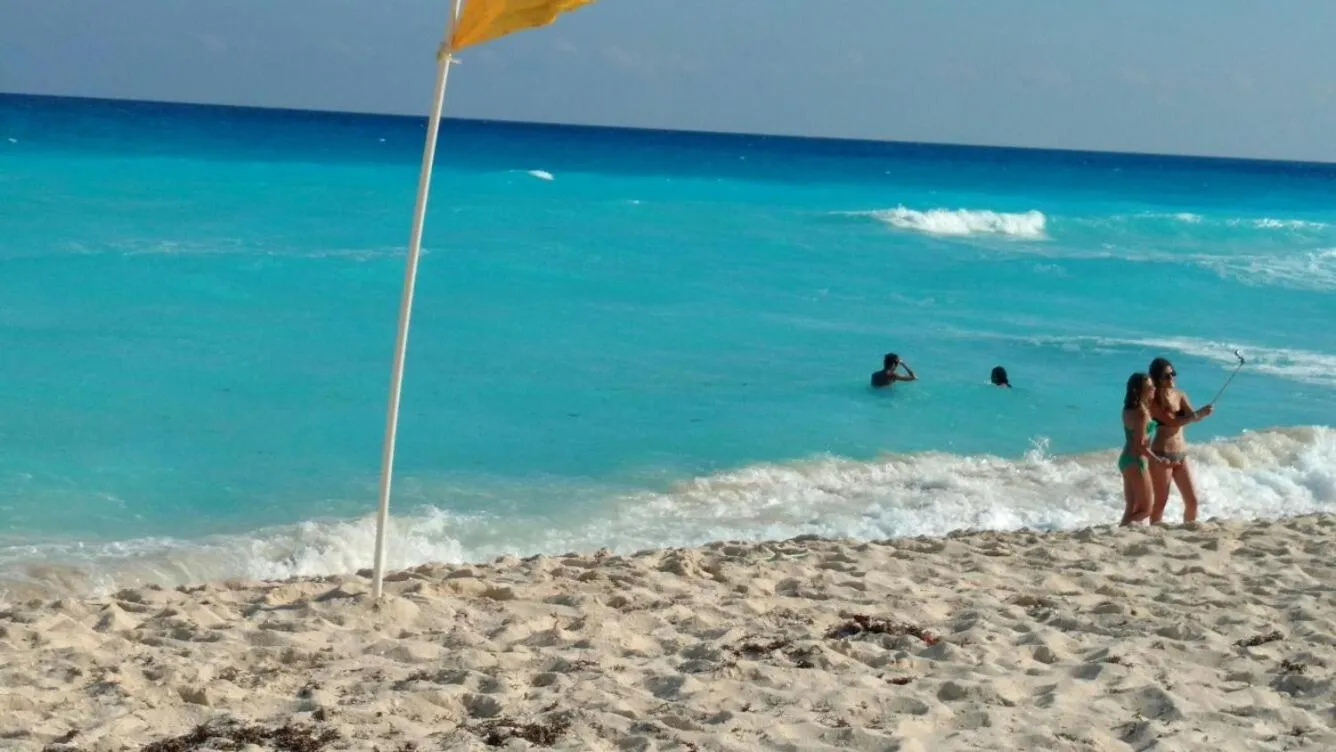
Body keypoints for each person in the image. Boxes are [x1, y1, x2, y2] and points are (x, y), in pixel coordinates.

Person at [1146, 357, 1213, 523]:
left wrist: (1202, 413)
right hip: (1162, 456)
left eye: (1172, 374)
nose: (1171, 378)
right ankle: (1153, 534)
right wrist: (1197, 415)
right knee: (1160, 503)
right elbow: (1172, 421)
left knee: (1193, 502)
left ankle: (1188, 531)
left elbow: (1192, 417)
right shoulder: (1154, 401)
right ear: (1157, 379)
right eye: (1166, 376)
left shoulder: (1180, 395)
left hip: (1181, 455)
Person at [1119, 372, 1175, 526]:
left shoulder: (1128, 409)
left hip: (1126, 460)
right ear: (1140, 391)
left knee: (1131, 507)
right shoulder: (1142, 413)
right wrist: (1157, 460)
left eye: (1153, 387)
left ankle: (1119, 534)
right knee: (1146, 509)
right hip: (1137, 461)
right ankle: (1122, 530)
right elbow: (1140, 445)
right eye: (1150, 388)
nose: (1154, 390)